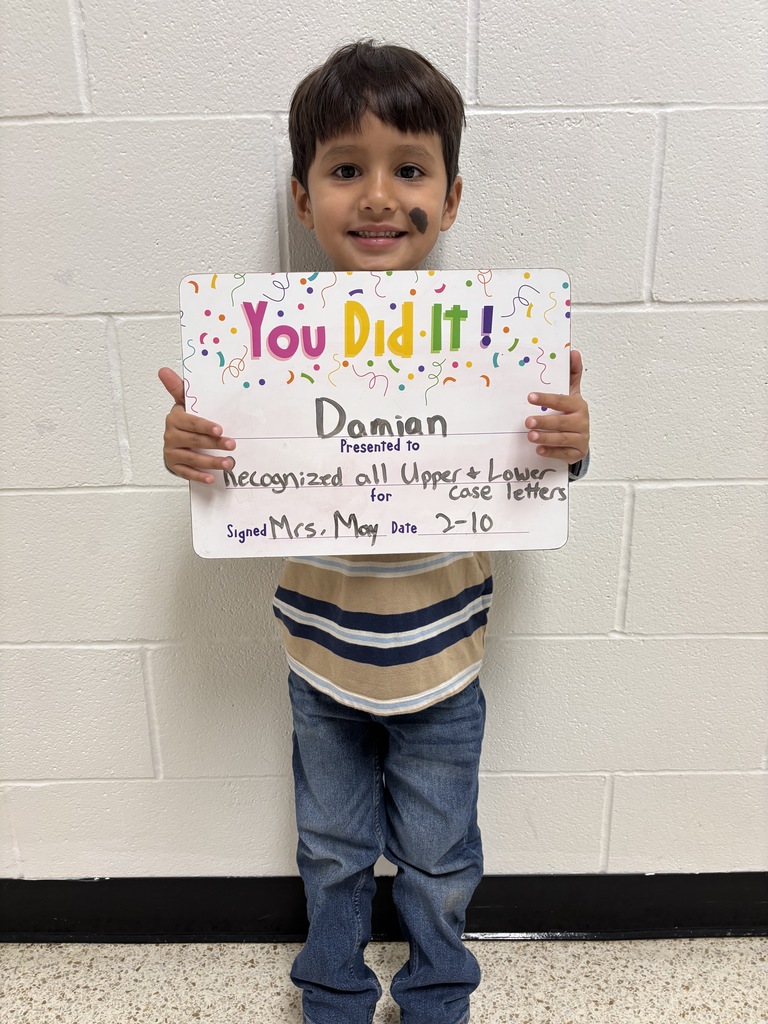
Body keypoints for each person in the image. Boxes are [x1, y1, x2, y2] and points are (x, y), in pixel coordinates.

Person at [160, 40, 590, 1024]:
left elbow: (537, 475)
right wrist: (194, 445)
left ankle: (440, 989)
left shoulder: (500, 338)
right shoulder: (259, 347)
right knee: (330, 849)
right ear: (304, 198)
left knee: (442, 856)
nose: (379, 196)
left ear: (452, 192)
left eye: (409, 168)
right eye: (346, 169)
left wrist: (570, 442)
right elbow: (234, 471)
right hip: (322, 664)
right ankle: (335, 990)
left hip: (446, 667)